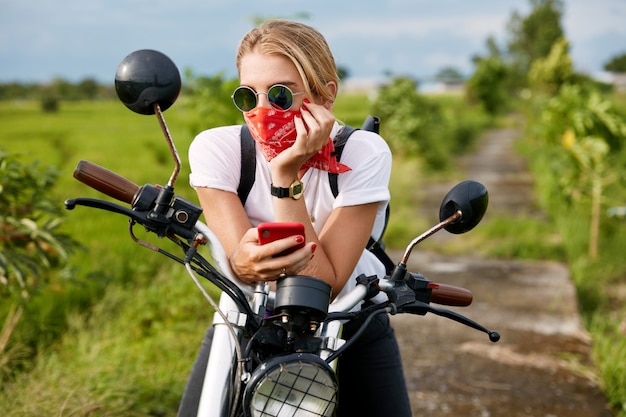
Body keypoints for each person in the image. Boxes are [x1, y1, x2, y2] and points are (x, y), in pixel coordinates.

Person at [178, 19, 411, 417]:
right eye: (249, 96)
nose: (264, 110)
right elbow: (241, 264)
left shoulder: (364, 153)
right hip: (245, 319)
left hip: (349, 322)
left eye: (281, 95)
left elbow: (323, 283)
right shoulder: (218, 151)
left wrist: (285, 176)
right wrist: (241, 262)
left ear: (326, 95)